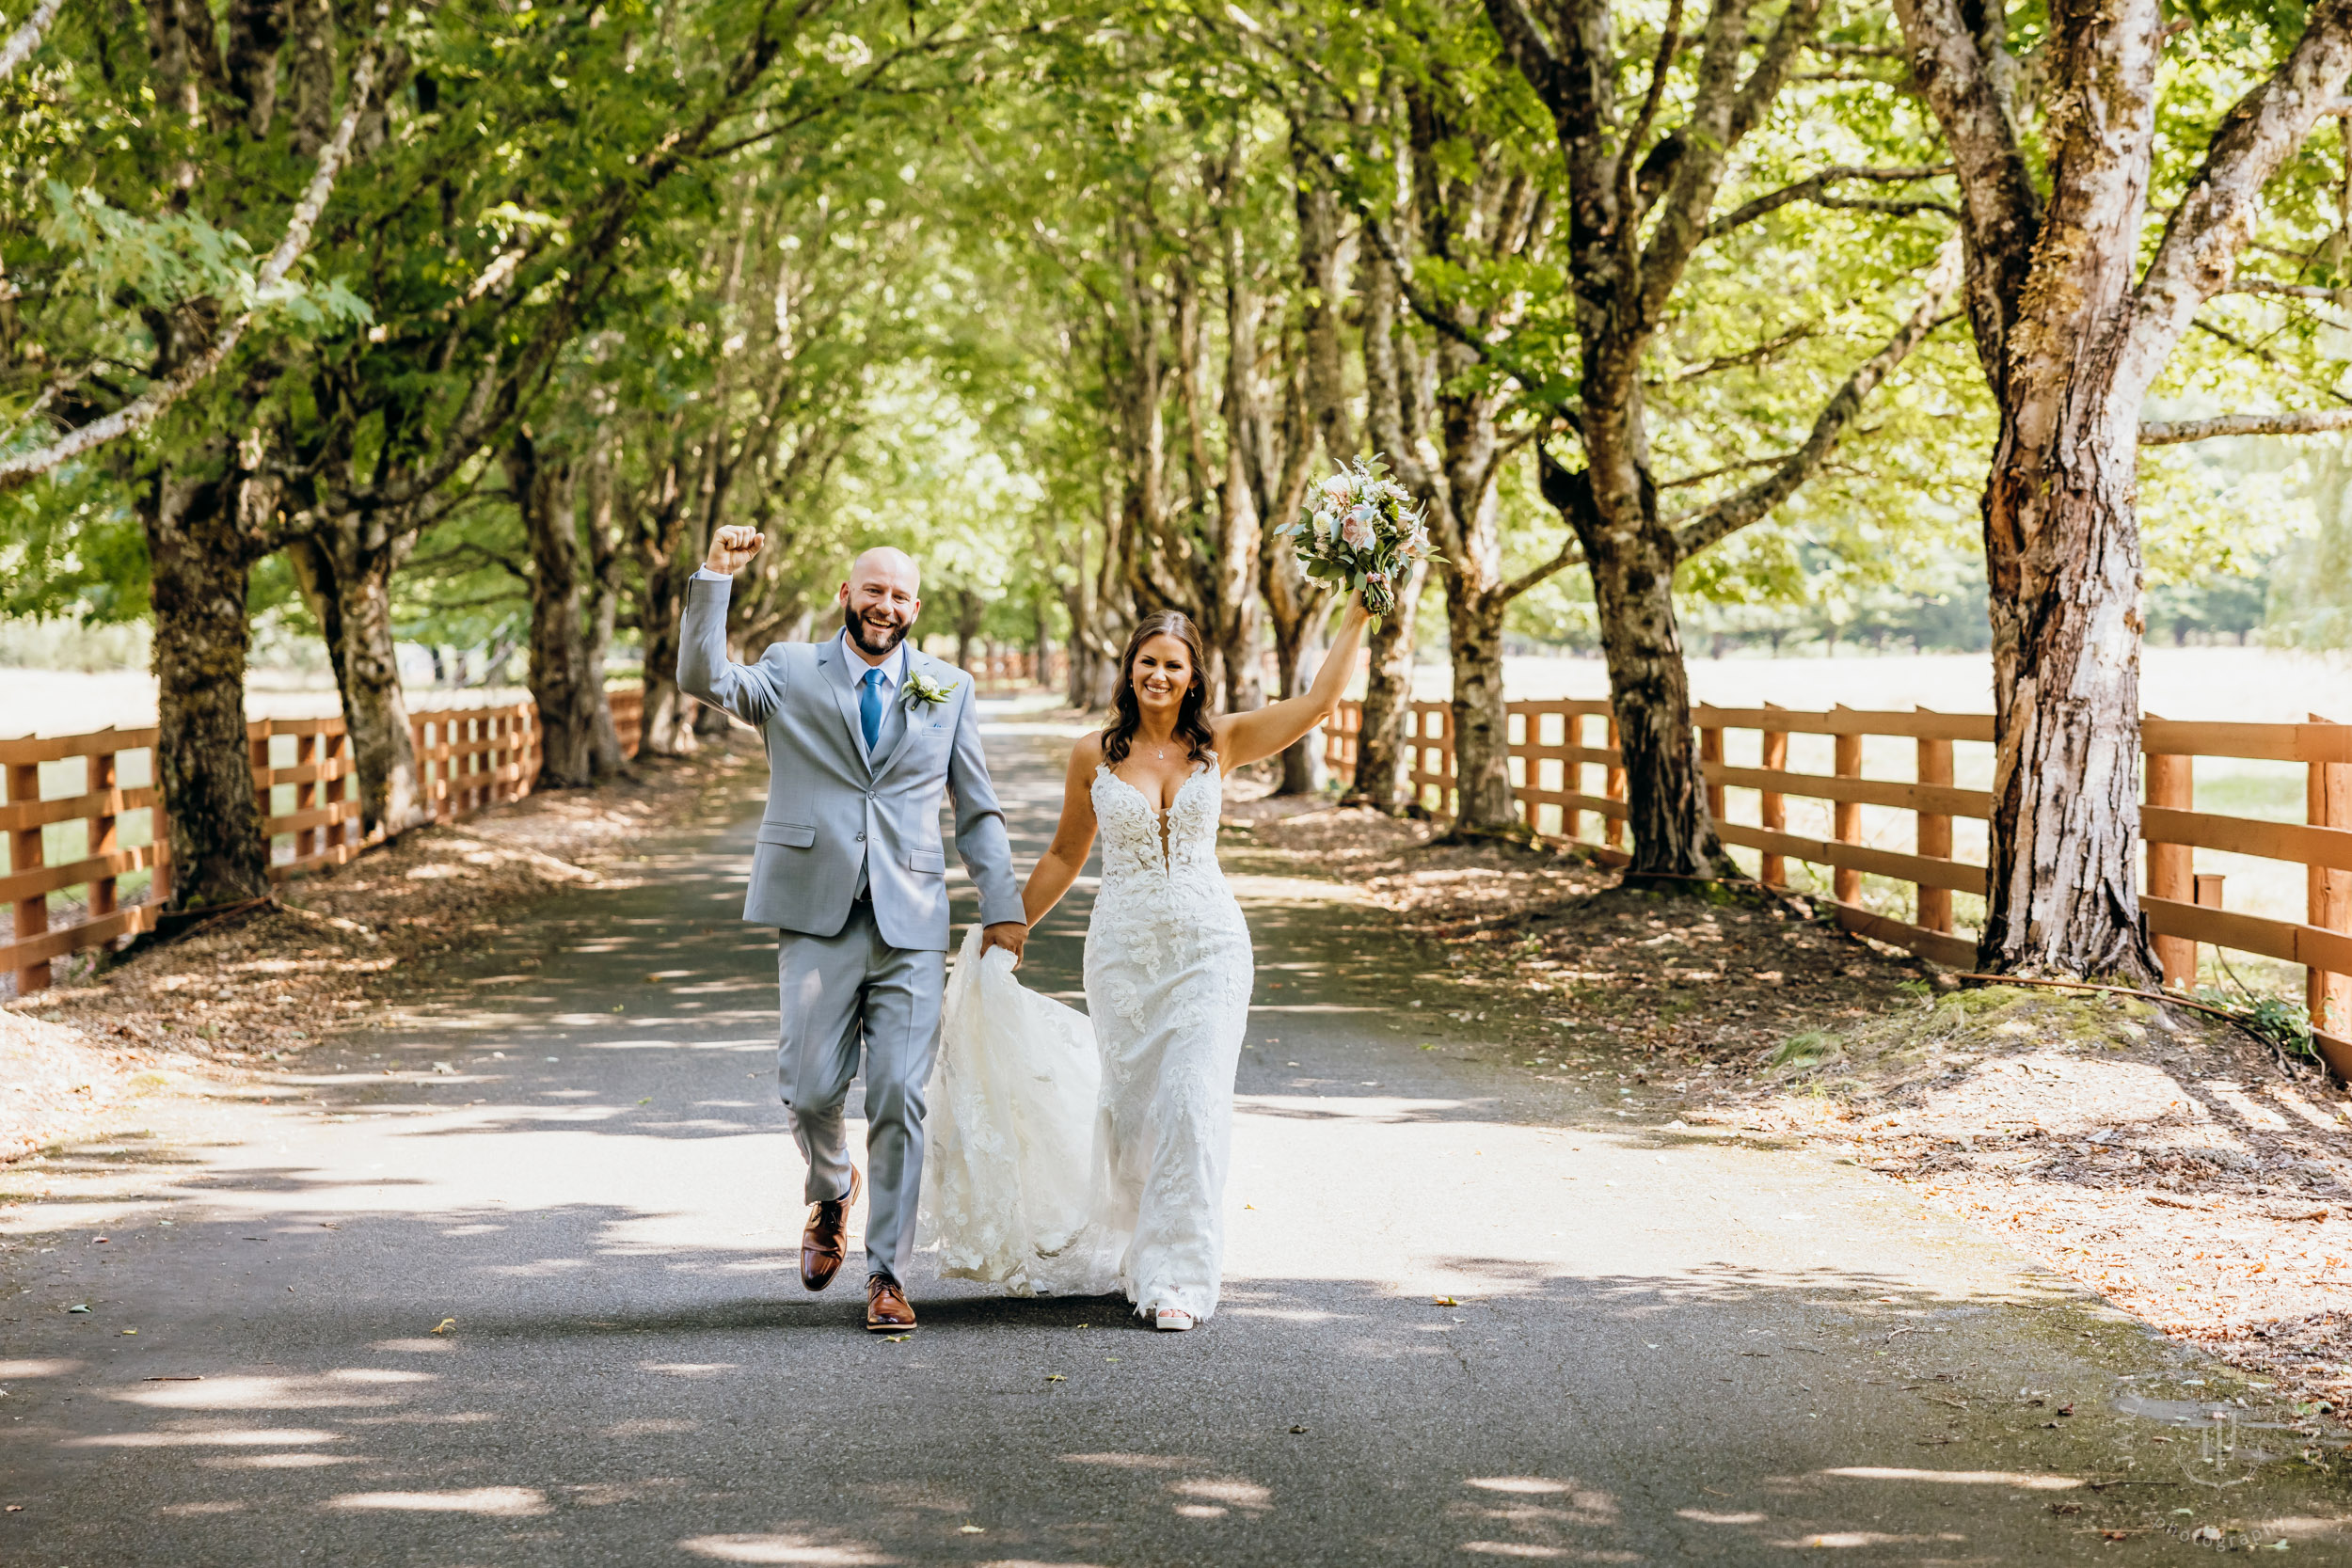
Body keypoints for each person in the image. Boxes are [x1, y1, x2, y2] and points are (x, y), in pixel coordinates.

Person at [677, 525, 1027, 1334]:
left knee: (902, 1094)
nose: (886, 605)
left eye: (901, 595)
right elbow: (704, 677)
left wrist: (1002, 906)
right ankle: (832, 1187)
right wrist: (715, 577)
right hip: (815, 911)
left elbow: (976, 809)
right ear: (847, 594)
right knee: (807, 1089)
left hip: (910, 921)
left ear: (916, 607)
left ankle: (888, 1275)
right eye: (873, 590)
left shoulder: (948, 685)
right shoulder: (791, 669)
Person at [1015, 596, 1370, 1330]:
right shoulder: (1094, 754)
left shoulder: (1221, 740)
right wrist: (1010, 925)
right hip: (1123, 957)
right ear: (1130, 668)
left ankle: (1178, 1273)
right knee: (1138, 1111)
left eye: (1173, 664)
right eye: (1147, 661)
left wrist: (1357, 616)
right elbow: (1063, 854)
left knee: (1191, 1104)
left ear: (1192, 675)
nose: (1158, 674)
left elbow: (1319, 701)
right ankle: (1141, 1250)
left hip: (1210, 948)